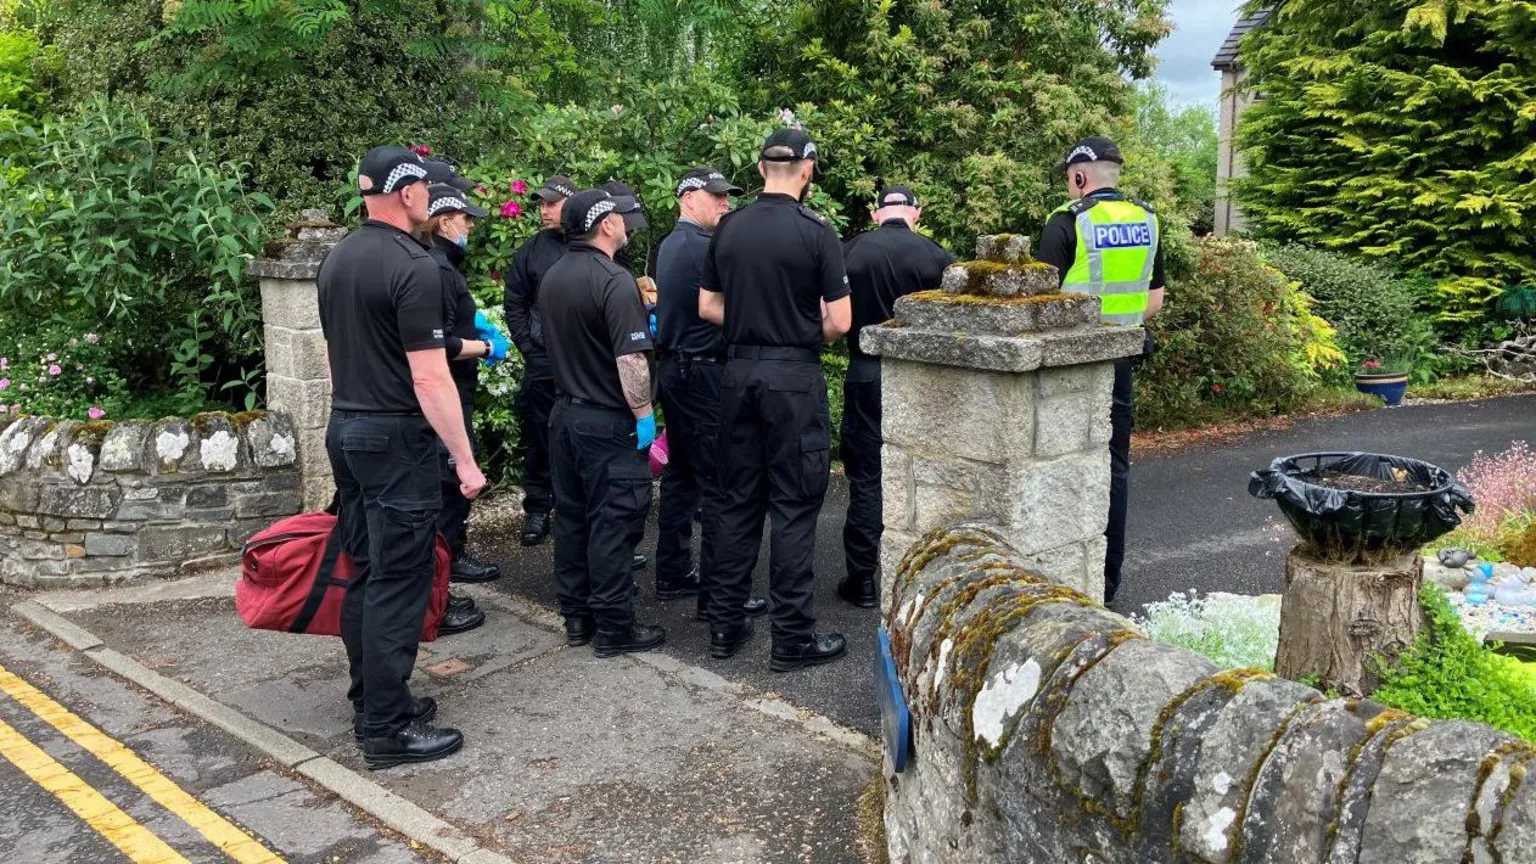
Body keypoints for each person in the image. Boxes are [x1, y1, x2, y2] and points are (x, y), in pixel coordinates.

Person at [317, 145, 487, 768]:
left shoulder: (338, 258)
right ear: (409, 193)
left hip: (348, 426)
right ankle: (387, 730)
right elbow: (430, 375)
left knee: (366, 570)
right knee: (400, 580)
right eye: (425, 190)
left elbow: (333, 356)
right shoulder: (413, 265)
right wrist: (464, 461)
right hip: (394, 437)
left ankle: (373, 702)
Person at [698, 129, 852, 670]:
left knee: (737, 500)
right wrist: (797, 328)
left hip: (737, 374)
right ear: (806, 170)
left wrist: (751, 321)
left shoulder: (729, 228)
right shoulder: (817, 232)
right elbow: (840, 321)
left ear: (762, 168)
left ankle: (725, 625)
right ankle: (791, 638)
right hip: (792, 378)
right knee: (793, 505)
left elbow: (707, 306)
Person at [1035, 136, 1166, 604]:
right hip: (1121, 361)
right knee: (1114, 467)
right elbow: (1153, 302)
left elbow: (1041, 306)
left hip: (1070, 366)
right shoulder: (1146, 219)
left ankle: (1058, 573)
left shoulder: (1068, 222)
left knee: (1056, 463)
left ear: (1079, 176)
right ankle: (1106, 581)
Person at [538, 188, 668, 657]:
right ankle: (614, 626)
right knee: (615, 519)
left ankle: (577, 616)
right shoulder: (613, 280)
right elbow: (630, 359)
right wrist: (645, 416)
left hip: (565, 415)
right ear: (606, 224)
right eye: (619, 217)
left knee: (573, 516)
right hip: (607, 419)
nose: (625, 225)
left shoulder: (554, 275)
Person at [651, 167, 768, 621]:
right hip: (701, 372)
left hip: (678, 369)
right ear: (687, 197)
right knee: (722, 484)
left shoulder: (671, 244)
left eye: (727, 196)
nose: (725, 203)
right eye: (715, 196)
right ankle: (721, 597)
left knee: (682, 474)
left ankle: (673, 572)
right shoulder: (702, 247)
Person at [838, 185, 954, 609]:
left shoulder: (850, 251)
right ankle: (922, 574)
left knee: (867, 475)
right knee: (924, 473)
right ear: (916, 213)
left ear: (876, 214)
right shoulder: (938, 257)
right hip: (919, 378)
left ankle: (862, 579)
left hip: (866, 371)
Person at [423, 182, 503, 636]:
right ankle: (436, 596)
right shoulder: (436, 270)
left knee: (450, 493)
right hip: (446, 396)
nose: (470, 226)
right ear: (444, 220)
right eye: (465, 218)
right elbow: (438, 343)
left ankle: (446, 568)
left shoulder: (441, 265)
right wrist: (484, 346)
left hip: (453, 392)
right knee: (449, 491)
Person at [504, 174, 578, 548]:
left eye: (552, 203)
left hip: (584, 364)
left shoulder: (590, 244)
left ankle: (580, 511)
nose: (544, 211)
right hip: (543, 361)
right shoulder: (530, 251)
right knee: (539, 435)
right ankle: (537, 508)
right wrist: (528, 346)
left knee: (583, 436)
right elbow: (514, 302)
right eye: (541, 204)